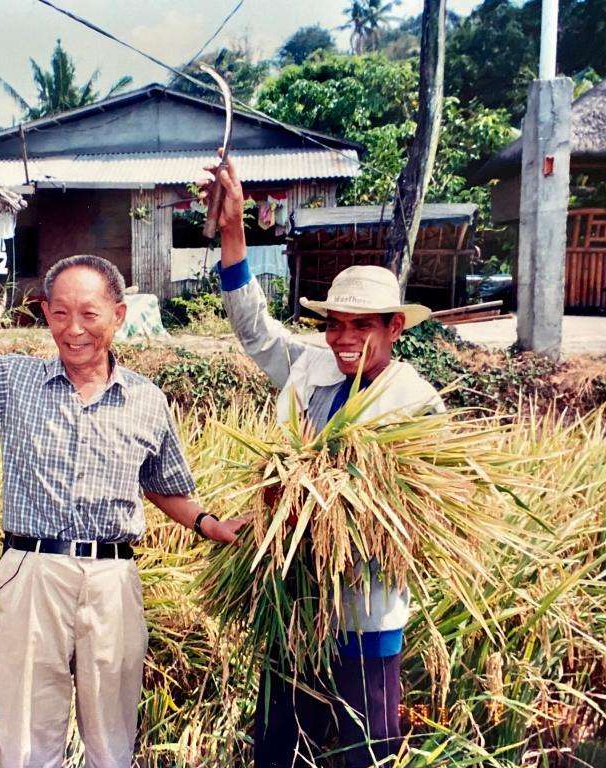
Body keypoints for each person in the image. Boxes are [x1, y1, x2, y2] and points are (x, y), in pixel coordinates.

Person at [0, 191, 246, 768]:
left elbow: (163, 484)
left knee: (112, 741)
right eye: (59, 313)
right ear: (44, 315)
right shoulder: (15, 382)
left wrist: (209, 523)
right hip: (31, 571)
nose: (74, 329)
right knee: (24, 739)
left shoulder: (146, 399)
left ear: (118, 315)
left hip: (114, 578)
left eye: (89, 314)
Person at [200, 159, 444, 768]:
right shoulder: (309, 367)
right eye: (335, 325)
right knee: (282, 744)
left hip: (366, 609)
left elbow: (420, 518)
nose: (343, 339)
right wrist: (234, 234)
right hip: (291, 598)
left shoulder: (414, 405)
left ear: (395, 328)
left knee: (366, 748)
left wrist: (322, 504)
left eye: (362, 326)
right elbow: (254, 329)